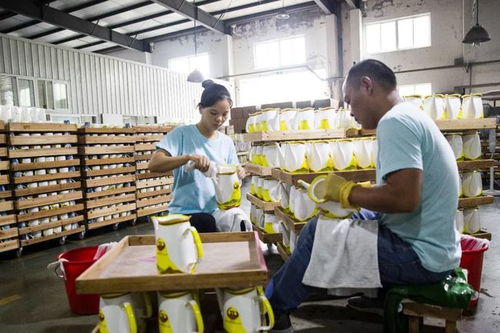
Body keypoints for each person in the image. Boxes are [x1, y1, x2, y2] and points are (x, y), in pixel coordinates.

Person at [266, 59, 461, 332]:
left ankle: (271, 309)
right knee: (338, 222)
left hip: (420, 257)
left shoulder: (395, 122)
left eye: (349, 100)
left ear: (366, 85)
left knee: (315, 233)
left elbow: (405, 199)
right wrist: (348, 205)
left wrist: (348, 192)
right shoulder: (410, 114)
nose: (349, 111)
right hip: (437, 247)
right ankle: (374, 295)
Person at [149, 79, 245, 233]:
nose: (219, 119)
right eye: (213, 113)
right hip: (186, 214)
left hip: (217, 212)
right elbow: (154, 164)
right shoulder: (181, 134)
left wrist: (239, 172)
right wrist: (187, 157)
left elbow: (233, 172)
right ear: (201, 109)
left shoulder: (226, 142)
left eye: (225, 114)